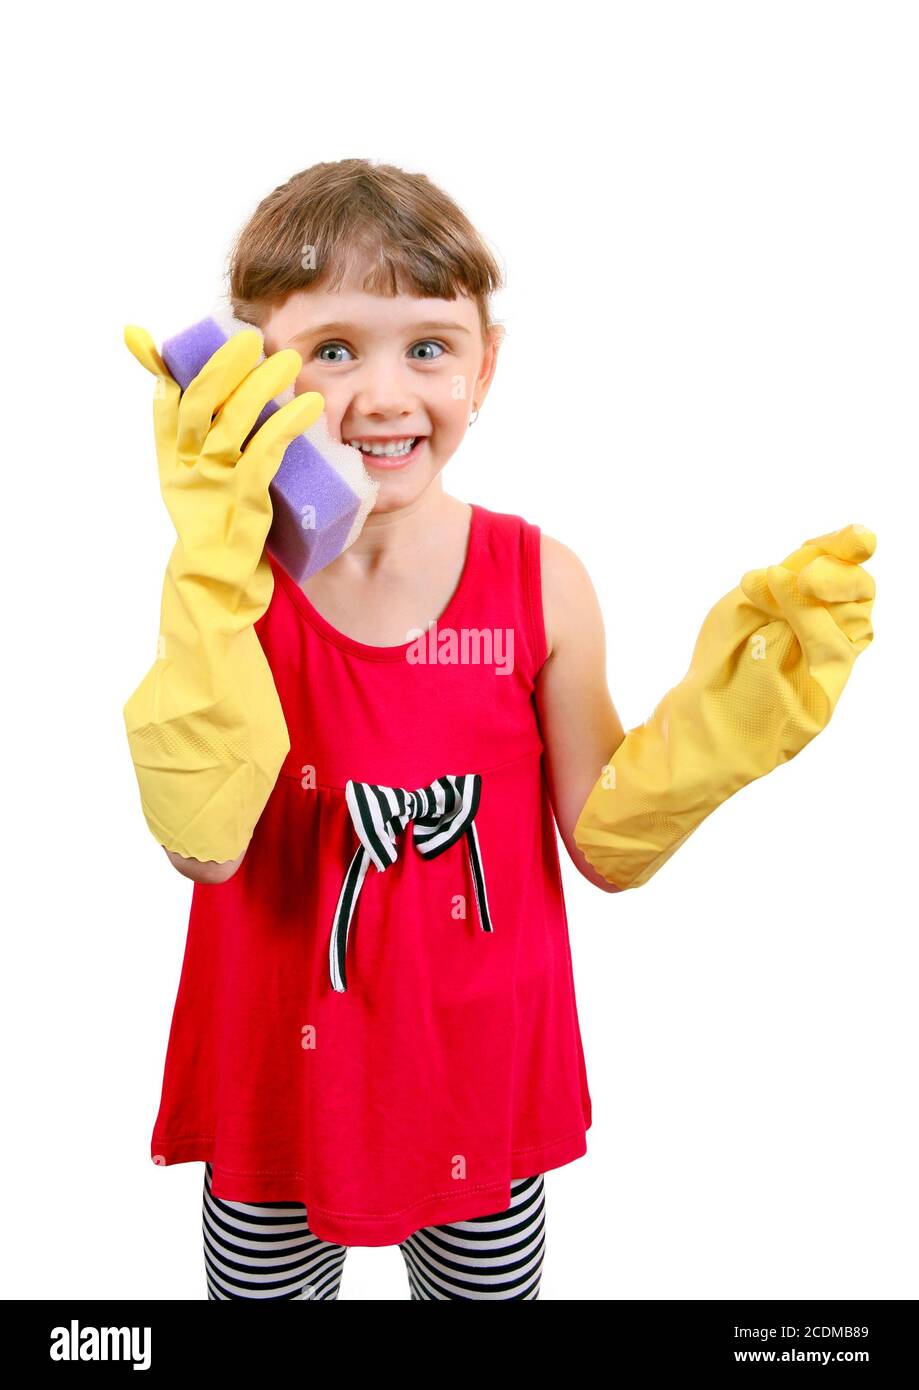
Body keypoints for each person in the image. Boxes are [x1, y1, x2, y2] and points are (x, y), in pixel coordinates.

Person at [125, 158, 874, 1300]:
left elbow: (607, 845)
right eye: (332, 348)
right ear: (247, 372)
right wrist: (211, 570)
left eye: (427, 345)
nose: (382, 396)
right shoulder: (233, 591)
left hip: (472, 1081)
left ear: (487, 364)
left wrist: (733, 717)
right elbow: (204, 843)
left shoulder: (542, 582)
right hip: (275, 1073)